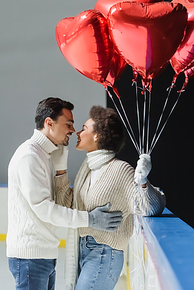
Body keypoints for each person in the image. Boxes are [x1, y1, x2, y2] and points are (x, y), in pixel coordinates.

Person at [7, 97, 124, 290]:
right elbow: (45, 209)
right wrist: (90, 219)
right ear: (49, 123)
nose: (72, 130)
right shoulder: (30, 156)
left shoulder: (43, 155)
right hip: (30, 257)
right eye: (68, 124)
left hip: (43, 255)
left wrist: (60, 168)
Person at [55, 105, 166, 290]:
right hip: (83, 249)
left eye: (84, 129)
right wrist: (60, 170)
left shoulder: (120, 170)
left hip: (105, 253)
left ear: (97, 136)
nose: (78, 133)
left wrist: (143, 181)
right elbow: (66, 204)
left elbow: (151, 208)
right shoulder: (87, 170)